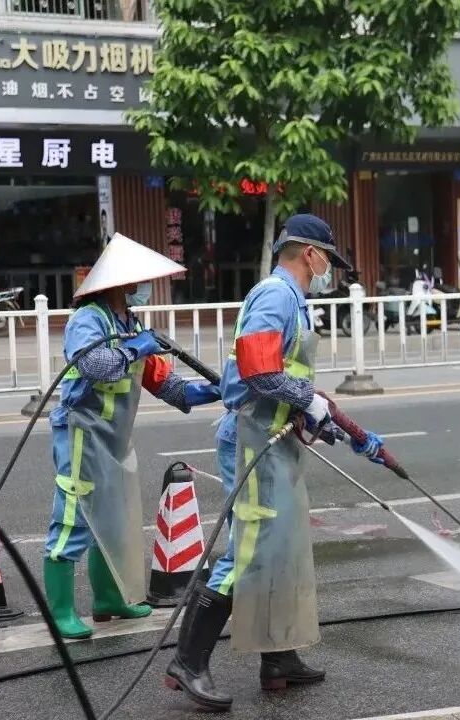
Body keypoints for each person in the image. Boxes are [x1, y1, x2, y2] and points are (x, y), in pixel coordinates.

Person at [165, 214, 385, 710]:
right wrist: (310, 401)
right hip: (252, 440)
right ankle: (188, 661)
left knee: (279, 548)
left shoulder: (294, 301)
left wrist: (332, 425)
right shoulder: (274, 296)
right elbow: (260, 373)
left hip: (275, 436)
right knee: (250, 551)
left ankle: (278, 658)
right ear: (310, 254)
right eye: (328, 259)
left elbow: (285, 378)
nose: (329, 269)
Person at [44, 232, 222, 640]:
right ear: (120, 282)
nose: (144, 288)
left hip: (115, 440)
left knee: (113, 521)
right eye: (138, 280)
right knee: (73, 520)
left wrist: (211, 391)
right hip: (83, 434)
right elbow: (94, 366)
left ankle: (110, 600)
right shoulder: (89, 320)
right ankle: (61, 613)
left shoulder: (131, 324)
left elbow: (165, 384)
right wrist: (136, 348)